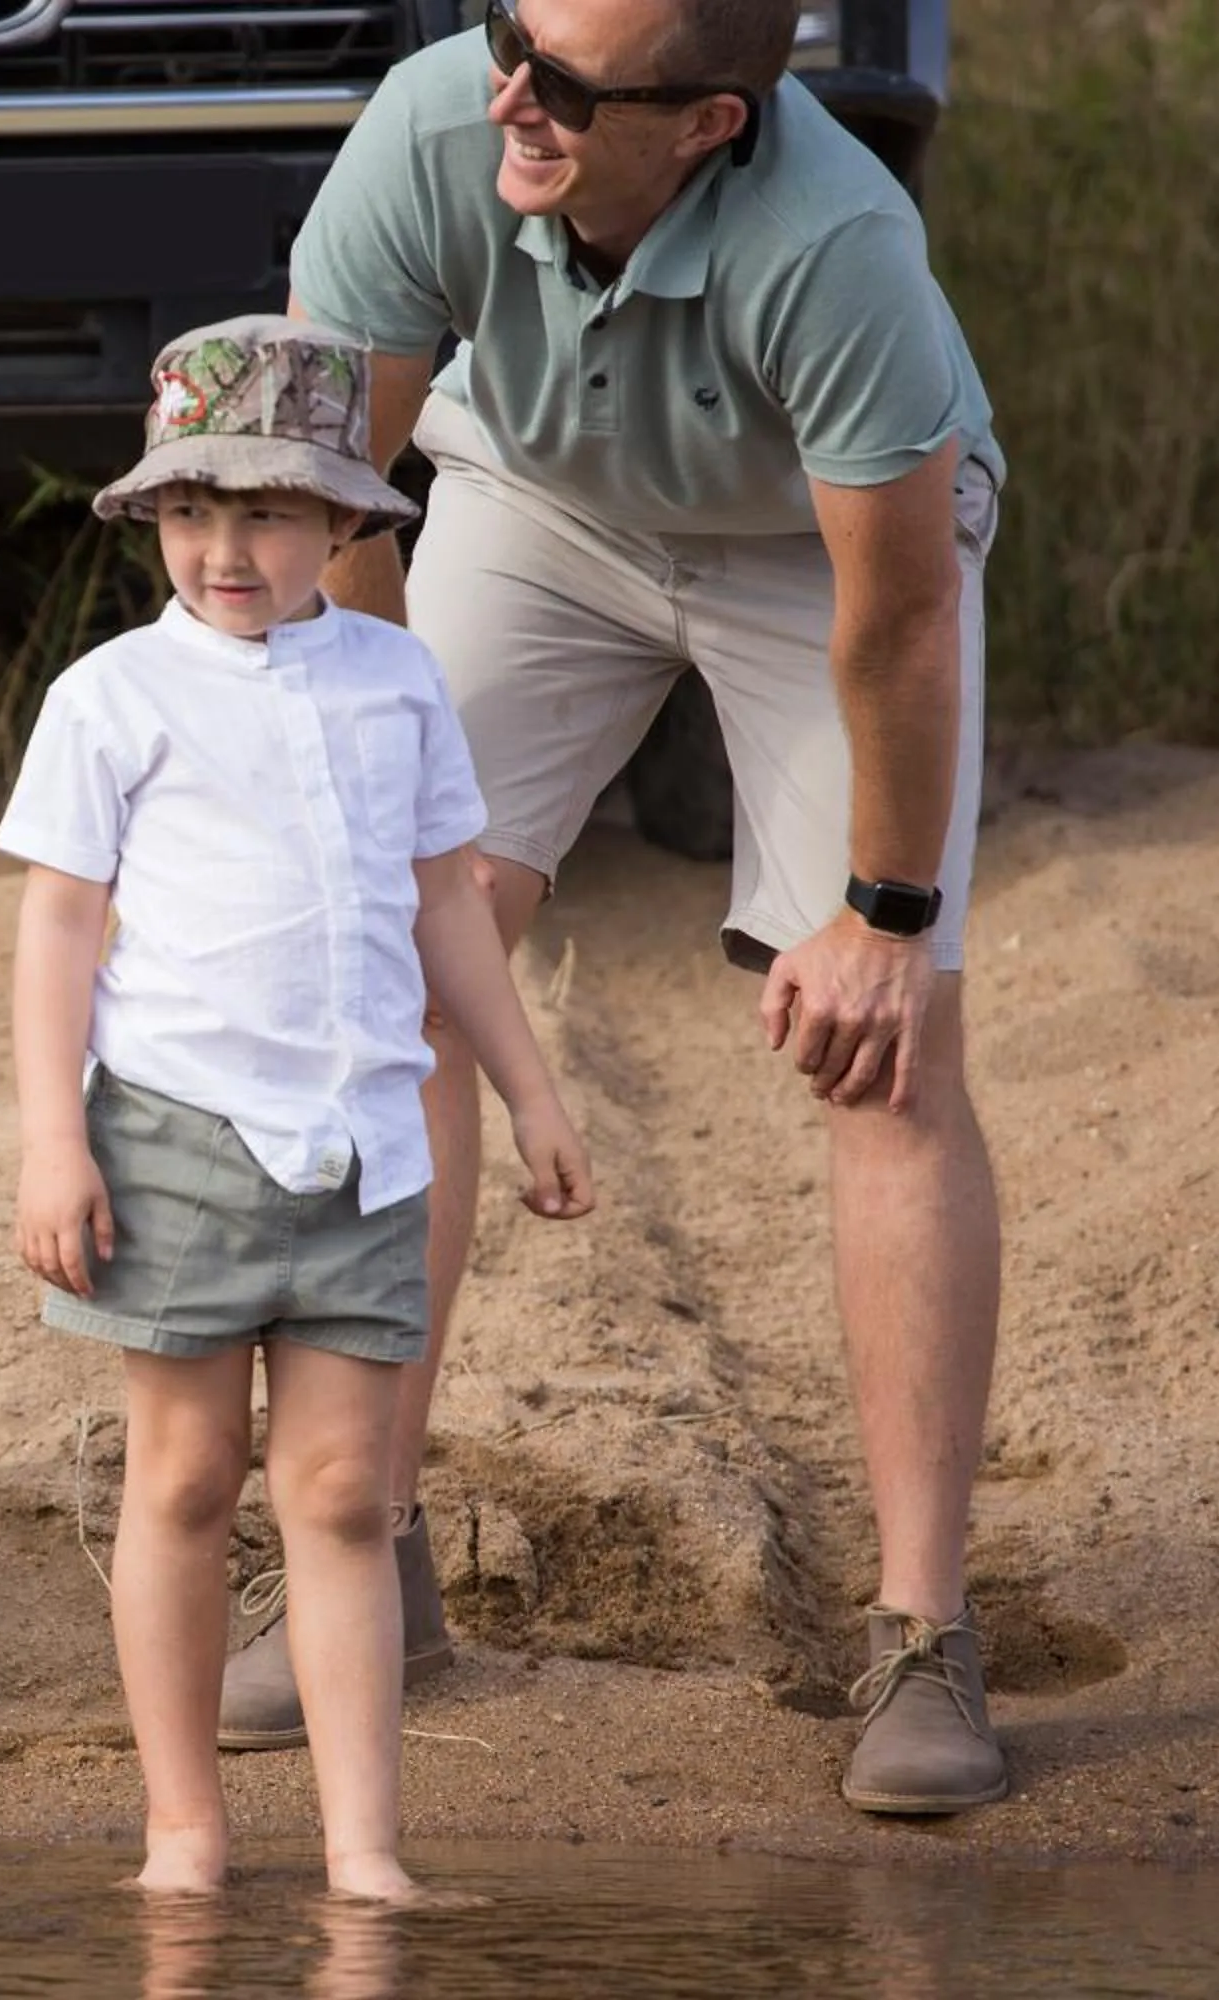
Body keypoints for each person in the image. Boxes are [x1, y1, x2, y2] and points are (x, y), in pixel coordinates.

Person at [214, 0, 1013, 1816]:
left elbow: (894, 620)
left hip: (816, 557)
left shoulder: (840, 247)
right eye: (509, 36)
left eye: (566, 85)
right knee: (408, 971)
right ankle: (357, 1542)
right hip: (538, 502)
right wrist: (416, 818)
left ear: (712, 120)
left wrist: (884, 916)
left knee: (892, 1063)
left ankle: (923, 1639)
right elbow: (331, 481)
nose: (513, 95)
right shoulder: (434, 134)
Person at [0, 315, 595, 1897]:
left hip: (365, 1148)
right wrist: (53, 1139)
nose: (224, 548)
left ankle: (362, 1848)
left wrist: (530, 1092)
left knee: (341, 1488)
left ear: (345, 521)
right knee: (184, 1479)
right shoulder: (113, 697)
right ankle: (184, 1828)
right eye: (191, 512)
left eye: (266, 511)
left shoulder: (396, 680)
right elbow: (60, 924)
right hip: (177, 1133)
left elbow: (446, 903)